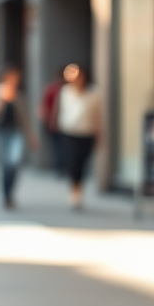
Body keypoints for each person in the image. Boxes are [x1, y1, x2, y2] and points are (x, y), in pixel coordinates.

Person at [0, 65, 35, 208]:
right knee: (5, 164)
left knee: (14, 162)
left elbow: (25, 118)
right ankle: (6, 195)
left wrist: (31, 135)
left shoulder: (19, 95)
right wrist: (2, 100)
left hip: (16, 132)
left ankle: (10, 192)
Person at [56, 64, 102, 210]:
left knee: (82, 162)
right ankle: (74, 190)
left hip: (87, 132)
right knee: (72, 161)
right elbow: (62, 110)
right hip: (69, 132)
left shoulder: (94, 93)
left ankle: (78, 187)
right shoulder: (66, 91)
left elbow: (98, 115)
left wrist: (100, 133)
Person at [38, 67, 65, 175]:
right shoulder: (52, 89)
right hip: (53, 122)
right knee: (57, 145)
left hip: (64, 123)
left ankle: (60, 166)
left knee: (59, 145)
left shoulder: (64, 89)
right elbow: (44, 105)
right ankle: (59, 166)